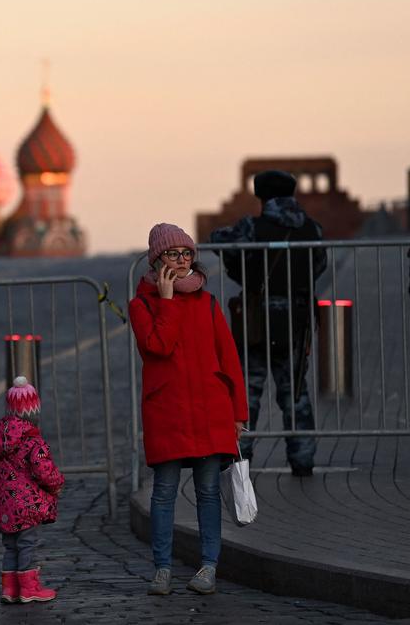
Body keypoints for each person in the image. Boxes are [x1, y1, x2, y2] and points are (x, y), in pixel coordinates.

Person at [129, 223, 248, 596]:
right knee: (164, 492)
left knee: (209, 491)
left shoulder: (208, 302)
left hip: (211, 410)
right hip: (168, 410)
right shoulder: (142, 305)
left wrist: (239, 413)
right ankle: (162, 569)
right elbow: (158, 347)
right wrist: (166, 301)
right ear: (157, 259)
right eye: (172, 254)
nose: (182, 262)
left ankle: (208, 566)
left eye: (186, 254)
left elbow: (229, 360)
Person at [210, 169, 327, 476]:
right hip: (296, 321)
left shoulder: (252, 227)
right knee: (296, 393)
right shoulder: (312, 230)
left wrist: (245, 275)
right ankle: (303, 458)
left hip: (256, 322)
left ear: (261, 197)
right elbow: (320, 266)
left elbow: (219, 240)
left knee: (248, 393)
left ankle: (239, 458)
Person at [0, 375, 64, 604]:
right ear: (33, 411)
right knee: (28, 545)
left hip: (5, 505)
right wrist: (57, 484)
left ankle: (10, 589)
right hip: (27, 504)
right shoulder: (33, 441)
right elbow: (44, 470)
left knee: (10, 547)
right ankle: (29, 588)